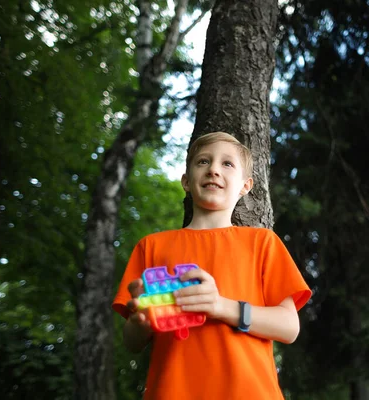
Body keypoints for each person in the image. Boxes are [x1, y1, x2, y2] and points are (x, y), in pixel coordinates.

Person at [112, 131, 312, 399]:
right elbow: (132, 342)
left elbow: (289, 327)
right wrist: (142, 322)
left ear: (245, 185)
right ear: (186, 181)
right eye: (203, 162)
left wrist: (220, 306)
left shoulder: (263, 242)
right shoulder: (151, 247)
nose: (214, 170)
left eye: (227, 164)